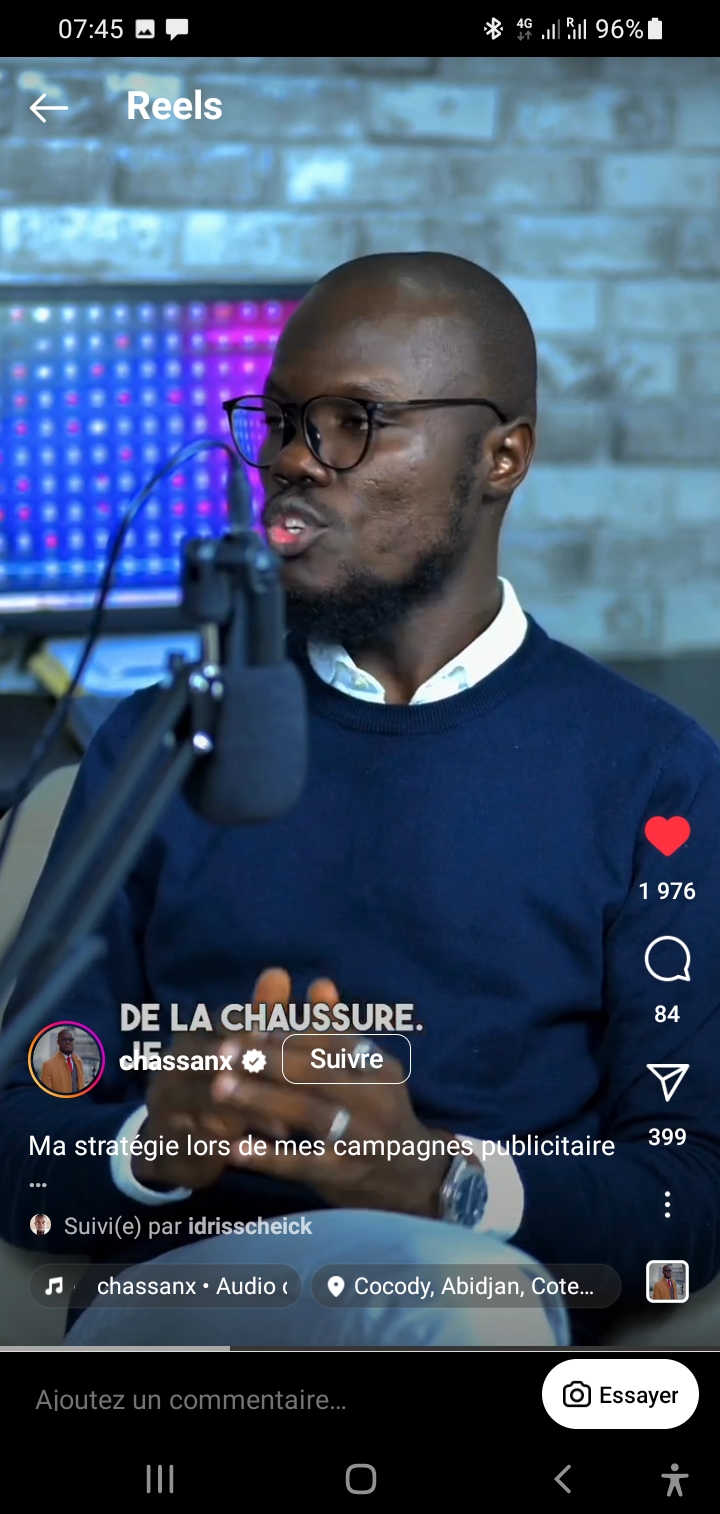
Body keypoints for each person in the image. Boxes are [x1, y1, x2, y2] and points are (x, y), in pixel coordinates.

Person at [1, 251, 720, 1349]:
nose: (294, 460)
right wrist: (155, 1142)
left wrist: (433, 1180)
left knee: (457, 1298)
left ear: (502, 457)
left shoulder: (653, 771)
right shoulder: (158, 742)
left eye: (354, 421)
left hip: (485, 1291)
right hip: (193, 1300)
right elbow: (23, 1130)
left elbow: (686, 1192)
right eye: (283, 421)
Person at [39, 1029, 85, 1094]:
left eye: (70, 1039)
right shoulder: (48, 1065)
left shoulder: (79, 1062)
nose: (68, 1042)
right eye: (64, 1039)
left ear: (73, 1042)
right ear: (58, 1042)